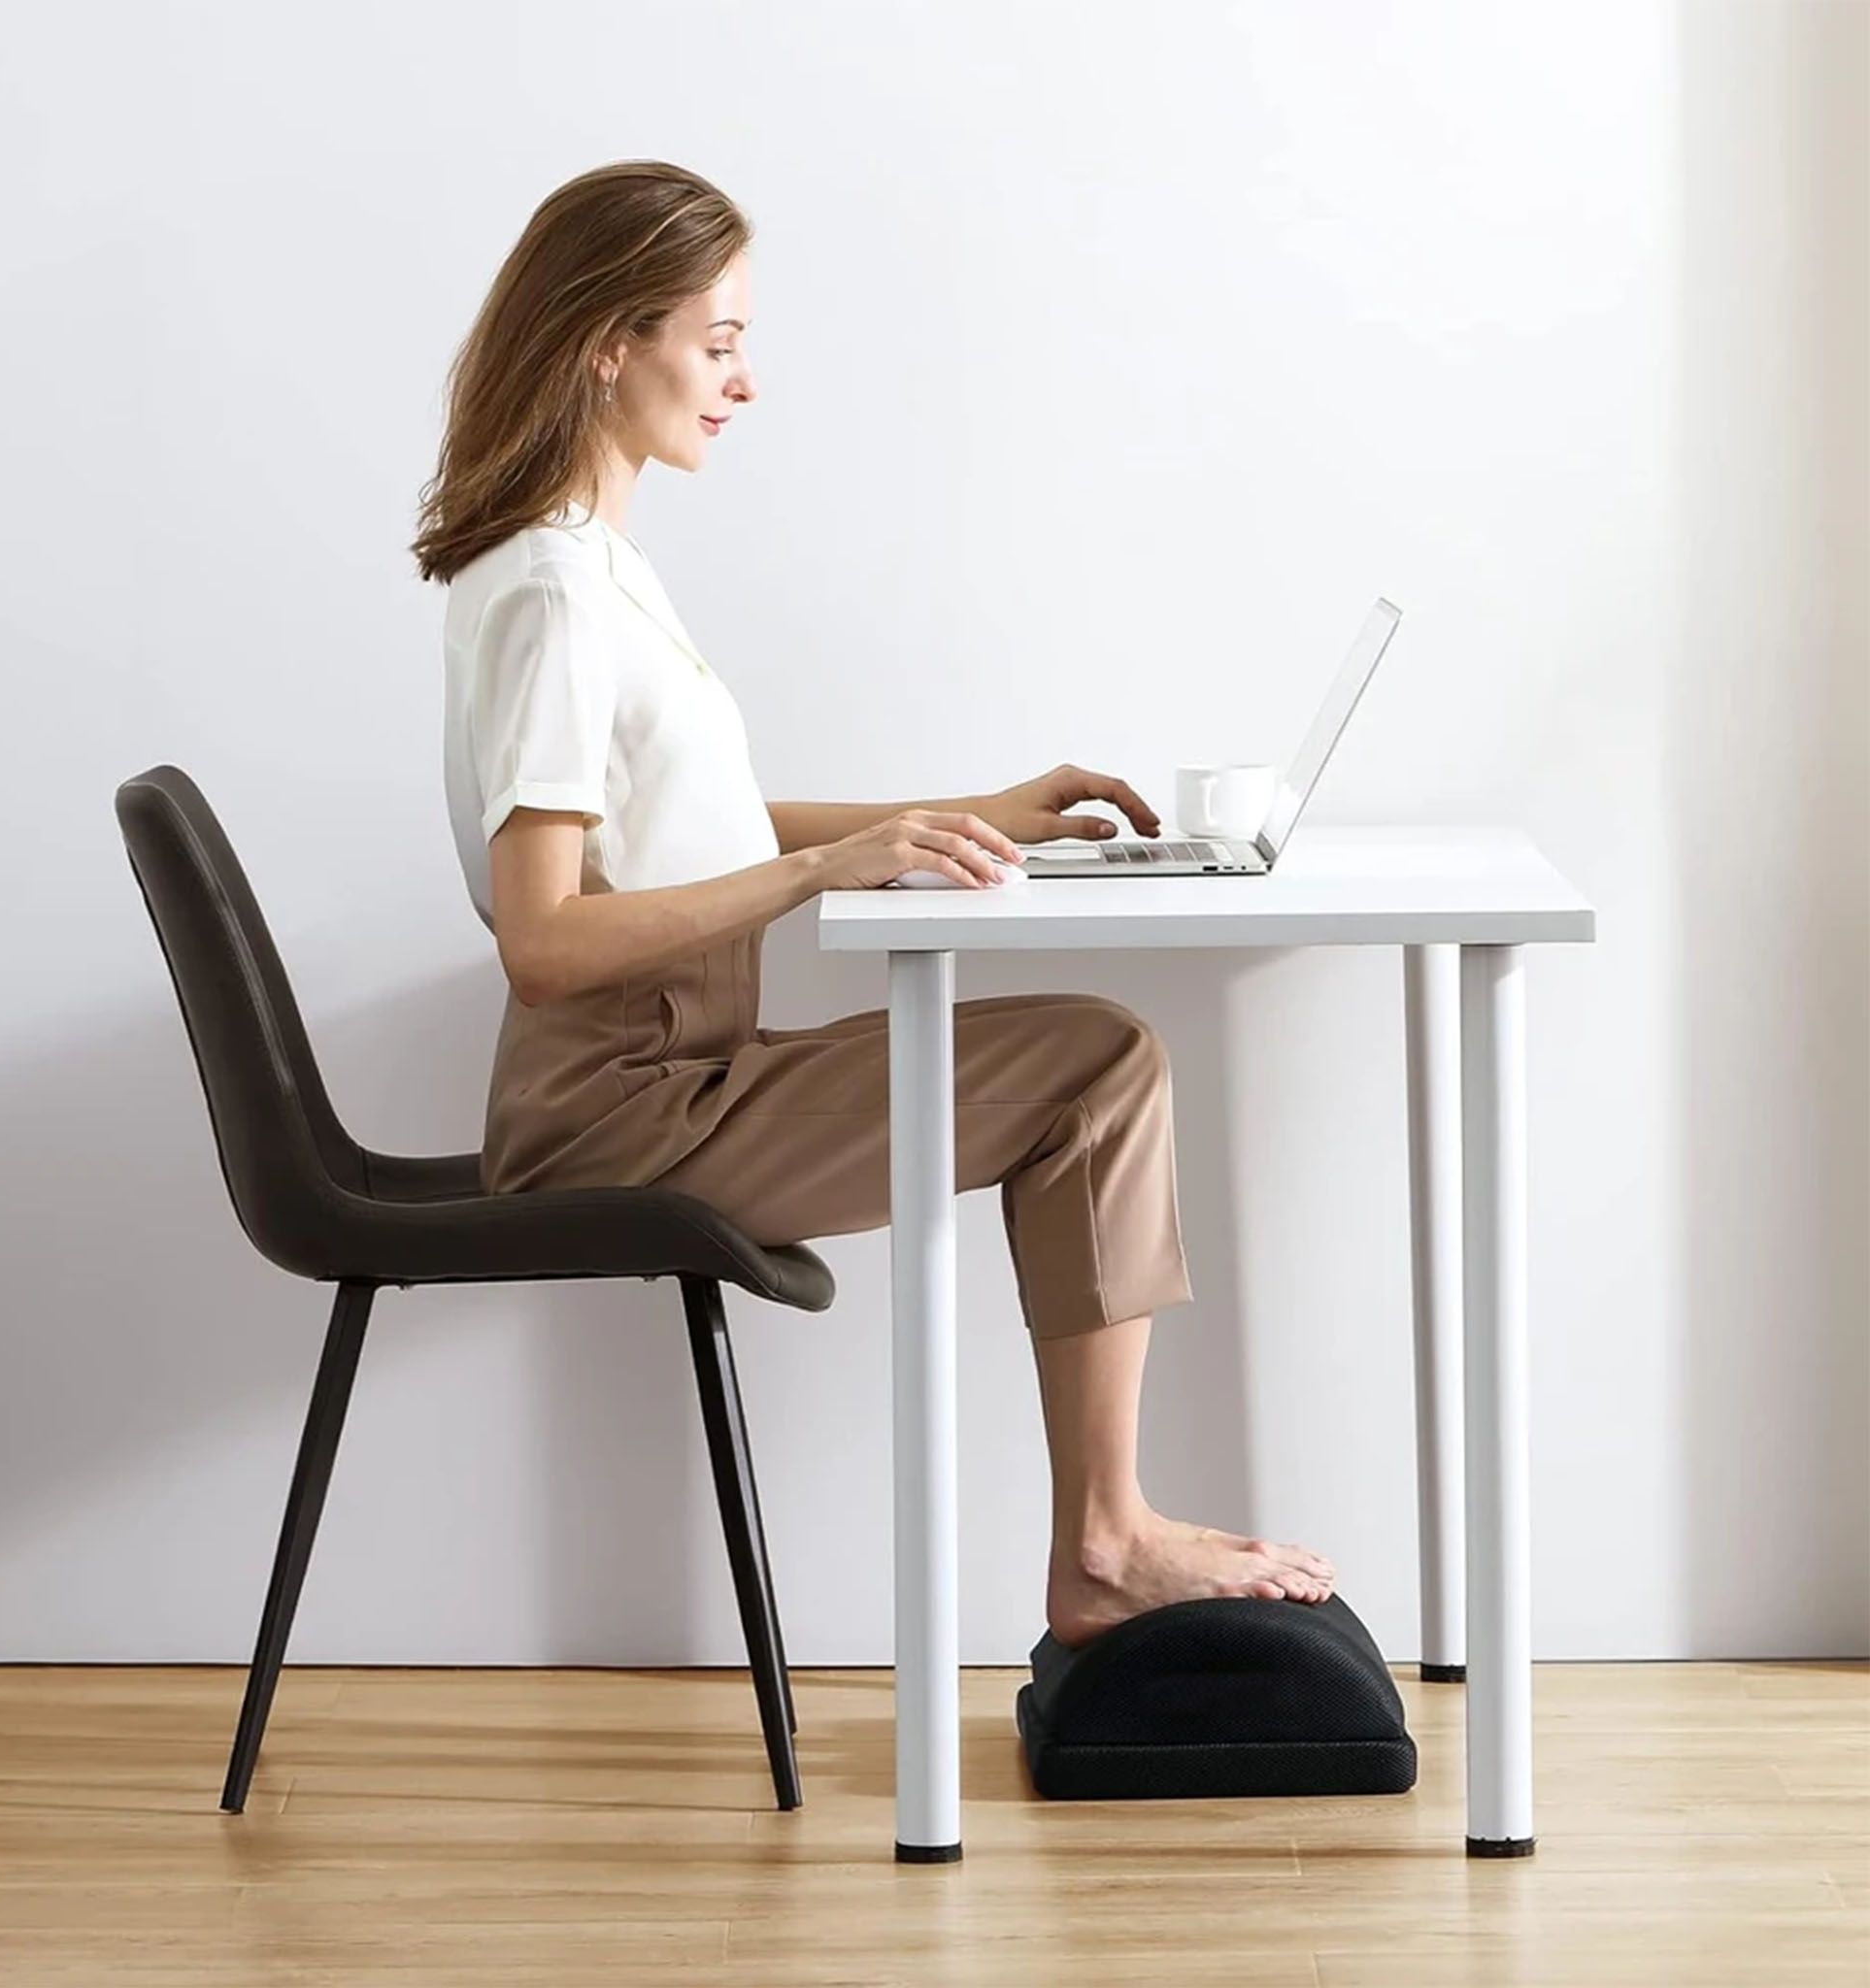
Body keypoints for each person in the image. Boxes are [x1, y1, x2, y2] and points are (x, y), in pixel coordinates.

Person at [411, 159, 1335, 1647]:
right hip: (624, 1109)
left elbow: (680, 828)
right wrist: (821, 871)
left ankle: (1107, 1533)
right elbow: (543, 941)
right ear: (606, 346)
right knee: (1097, 1065)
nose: (745, 382)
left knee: (1097, 1057)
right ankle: (1106, 1543)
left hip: (681, 1076)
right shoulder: (552, 594)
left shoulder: (588, 569)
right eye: (718, 343)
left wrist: (967, 814)